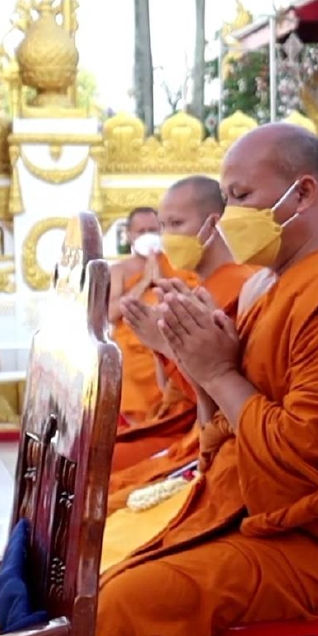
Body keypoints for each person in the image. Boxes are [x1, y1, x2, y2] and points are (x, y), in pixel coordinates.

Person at [96, 122, 318, 636]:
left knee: (129, 599)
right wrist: (201, 373)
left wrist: (219, 373)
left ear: (304, 192)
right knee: (98, 536)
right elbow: (219, 434)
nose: (230, 216)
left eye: (242, 196)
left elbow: (305, 462)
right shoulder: (269, 287)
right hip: (249, 501)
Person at [110, 175, 256, 472]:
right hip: (187, 425)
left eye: (176, 225)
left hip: (219, 435)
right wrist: (158, 346)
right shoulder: (195, 288)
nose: (165, 238)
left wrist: (166, 344)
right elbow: (170, 391)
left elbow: (219, 395)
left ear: (213, 225)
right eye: (162, 227)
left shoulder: (241, 288)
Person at [108, 206, 197, 425]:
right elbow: (110, 313)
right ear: (128, 234)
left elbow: (192, 301)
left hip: (171, 343)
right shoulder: (119, 270)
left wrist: (162, 278)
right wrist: (144, 282)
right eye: (141, 231)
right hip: (134, 353)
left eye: (153, 230)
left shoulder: (177, 264)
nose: (147, 236)